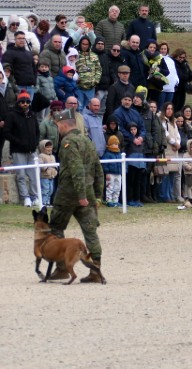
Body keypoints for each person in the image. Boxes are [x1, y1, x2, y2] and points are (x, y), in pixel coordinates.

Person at [47, 107, 105, 283]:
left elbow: (77, 169)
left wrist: (80, 195)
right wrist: (97, 195)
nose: (58, 129)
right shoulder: (87, 141)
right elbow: (98, 169)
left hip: (68, 194)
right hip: (87, 193)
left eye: (58, 125)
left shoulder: (68, 142)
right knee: (90, 232)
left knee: (56, 227)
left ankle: (62, 268)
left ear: (64, 124)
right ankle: (96, 271)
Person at [113, 93, 147, 207]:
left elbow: (142, 127)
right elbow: (120, 129)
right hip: (127, 148)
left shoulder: (135, 112)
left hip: (139, 149)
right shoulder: (117, 113)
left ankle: (137, 199)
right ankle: (127, 199)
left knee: (138, 177)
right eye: (125, 99)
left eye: (129, 100)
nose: (127, 102)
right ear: (121, 100)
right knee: (129, 177)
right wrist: (132, 139)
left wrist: (141, 137)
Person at [2, 30, 36, 95]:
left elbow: (34, 69)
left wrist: (34, 82)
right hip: (18, 87)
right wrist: (13, 84)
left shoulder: (29, 53)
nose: (22, 40)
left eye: (23, 38)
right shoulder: (9, 53)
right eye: (19, 38)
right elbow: (6, 70)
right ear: (15, 39)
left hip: (30, 87)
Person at [74, 36, 101, 102]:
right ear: (80, 44)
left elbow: (98, 69)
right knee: (79, 106)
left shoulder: (94, 55)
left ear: (89, 45)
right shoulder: (76, 55)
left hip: (90, 87)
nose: (84, 46)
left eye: (86, 44)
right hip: (78, 87)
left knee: (90, 105)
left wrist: (95, 81)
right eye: (83, 44)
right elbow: (72, 67)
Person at [170, 48, 192, 116]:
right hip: (175, 89)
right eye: (180, 57)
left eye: (183, 57)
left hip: (182, 89)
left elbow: (191, 75)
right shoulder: (173, 63)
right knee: (174, 106)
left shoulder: (185, 64)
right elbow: (179, 76)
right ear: (176, 56)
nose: (181, 59)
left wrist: (187, 75)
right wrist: (186, 76)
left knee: (181, 106)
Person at [101, 133, 123, 207]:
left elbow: (122, 163)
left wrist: (122, 171)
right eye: (114, 144)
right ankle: (109, 200)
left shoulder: (119, 154)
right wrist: (107, 172)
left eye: (117, 144)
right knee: (110, 187)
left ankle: (115, 200)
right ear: (110, 144)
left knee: (118, 187)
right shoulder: (107, 154)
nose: (116, 145)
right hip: (110, 173)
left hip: (118, 173)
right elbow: (105, 164)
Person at [157, 41, 179, 108]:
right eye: (161, 49)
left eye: (165, 49)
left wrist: (176, 81)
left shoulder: (171, 60)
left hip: (171, 88)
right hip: (162, 88)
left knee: (168, 107)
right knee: (160, 107)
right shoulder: (157, 59)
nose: (163, 50)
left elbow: (174, 72)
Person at [38, 139, 57, 205]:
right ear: (42, 148)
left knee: (51, 190)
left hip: (52, 176)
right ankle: (44, 202)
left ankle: (48, 202)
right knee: (45, 190)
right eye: (47, 147)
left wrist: (55, 169)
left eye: (50, 147)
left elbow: (55, 164)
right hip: (44, 176)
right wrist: (46, 169)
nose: (49, 149)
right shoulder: (41, 156)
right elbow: (40, 164)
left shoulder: (52, 156)